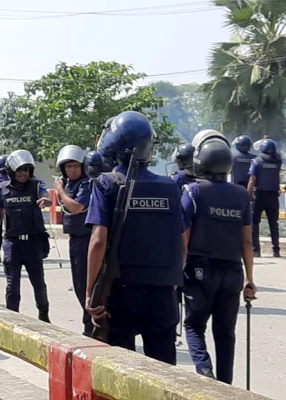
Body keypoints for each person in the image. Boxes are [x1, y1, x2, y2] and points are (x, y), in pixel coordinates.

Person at [85, 111, 184, 365]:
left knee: (122, 371)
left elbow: (98, 240)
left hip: (122, 294)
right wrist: (171, 282)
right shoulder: (170, 187)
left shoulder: (106, 183)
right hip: (162, 294)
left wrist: (90, 293)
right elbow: (181, 240)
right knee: (164, 375)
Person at [181, 129, 257, 383]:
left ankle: (205, 373)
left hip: (200, 269)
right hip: (233, 272)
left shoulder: (193, 191)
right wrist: (249, 279)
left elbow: (184, 238)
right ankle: (226, 386)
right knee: (226, 333)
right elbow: (247, 242)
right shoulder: (241, 196)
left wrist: (177, 271)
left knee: (193, 325)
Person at [0, 150, 52, 322]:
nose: (23, 174)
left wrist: (47, 201)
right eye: (19, 170)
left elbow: (46, 196)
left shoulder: (37, 186)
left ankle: (44, 314)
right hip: (12, 244)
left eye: (26, 170)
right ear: (11, 171)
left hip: (33, 243)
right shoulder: (3, 190)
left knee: (38, 283)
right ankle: (12, 319)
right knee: (12, 286)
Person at [54, 145, 93, 336]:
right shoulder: (69, 184)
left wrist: (59, 191)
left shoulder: (86, 184)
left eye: (76, 166)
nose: (72, 170)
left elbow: (77, 207)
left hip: (86, 239)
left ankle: (90, 324)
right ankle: (88, 321)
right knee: (78, 283)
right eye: (68, 166)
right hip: (75, 238)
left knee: (86, 284)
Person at [248, 138, 282, 257]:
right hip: (273, 196)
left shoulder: (256, 162)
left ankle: (256, 251)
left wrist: (248, 194)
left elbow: (252, 180)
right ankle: (276, 250)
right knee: (274, 223)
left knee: (254, 223)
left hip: (259, 196)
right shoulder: (278, 162)